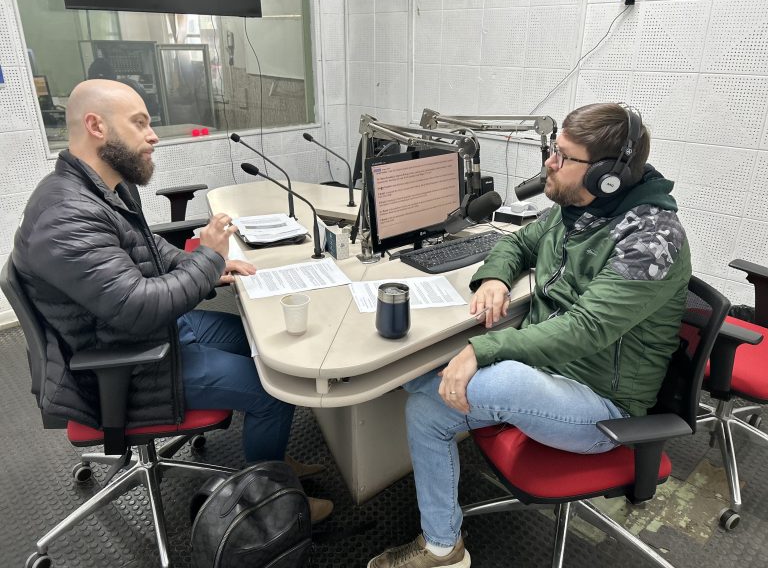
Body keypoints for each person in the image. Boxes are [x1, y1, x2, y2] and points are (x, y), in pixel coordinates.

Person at [368, 103, 692, 568]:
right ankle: (444, 547)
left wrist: (481, 350)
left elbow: (586, 329)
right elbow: (518, 241)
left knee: (467, 378)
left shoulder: (651, 239)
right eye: (551, 150)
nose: (549, 164)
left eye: (562, 156)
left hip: (602, 406)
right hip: (545, 371)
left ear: (606, 176)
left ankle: (403, 392)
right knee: (424, 404)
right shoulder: (577, 208)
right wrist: (495, 277)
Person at [12, 79, 332, 522]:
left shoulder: (106, 188)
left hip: (145, 333)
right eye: (139, 123)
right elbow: (139, 307)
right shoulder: (67, 214)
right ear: (96, 127)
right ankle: (267, 501)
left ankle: (272, 459)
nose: (153, 136)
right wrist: (207, 259)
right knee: (274, 389)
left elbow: (152, 250)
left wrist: (208, 266)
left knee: (260, 340)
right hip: (126, 363)